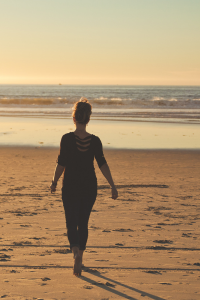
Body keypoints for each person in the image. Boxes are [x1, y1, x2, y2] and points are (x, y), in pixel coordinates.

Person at [49, 98, 118, 277]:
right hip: (89, 187)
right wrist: (112, 185)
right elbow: (102, 164)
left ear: (74, 118)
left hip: (70, 186)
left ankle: (75, 254)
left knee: (71, 223)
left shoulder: (66, 139)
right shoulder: (95, 141)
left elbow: (61, 164)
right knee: (83, 222)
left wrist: (54, 182)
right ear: (88, 119)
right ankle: (81, 256)